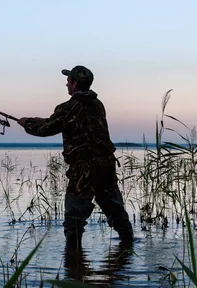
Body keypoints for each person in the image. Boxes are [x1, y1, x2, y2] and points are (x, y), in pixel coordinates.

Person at [17, 65, 134, 247]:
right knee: (114, 208)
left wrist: (26, 124)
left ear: (75, 84)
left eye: (68, 81)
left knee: (74, 216)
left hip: (84, 167)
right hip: (106, 164)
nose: (66, 84)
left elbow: (46, 129)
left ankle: (73, 259)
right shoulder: (97, 104)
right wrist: (37, 119)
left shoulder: (68, 107)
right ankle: (128, 246)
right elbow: (61, 121)